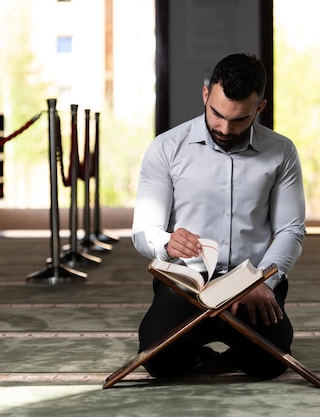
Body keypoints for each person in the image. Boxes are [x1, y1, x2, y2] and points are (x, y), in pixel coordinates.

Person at [131, 52, 306, 380]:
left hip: (252, 285)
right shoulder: (166, 148)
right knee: (159, 363)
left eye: (239, 119)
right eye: (217, 114)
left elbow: (291, 230)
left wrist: (263, 279)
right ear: (205, 94)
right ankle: (203, 349)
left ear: (260, 108)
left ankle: (221, 348)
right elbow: (143, 230)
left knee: (270, 364)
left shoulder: (281, 152)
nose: (225, 127)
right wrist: (168, 243)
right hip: (187, 284)